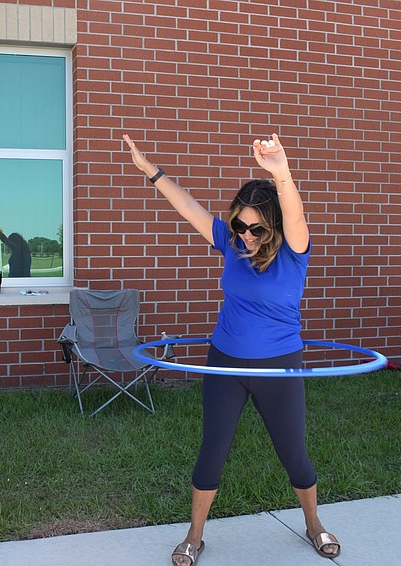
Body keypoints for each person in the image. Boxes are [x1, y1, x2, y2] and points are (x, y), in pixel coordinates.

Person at [123, 133, 340, 565]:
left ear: (273, 226)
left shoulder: (295, 251)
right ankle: (194, 535)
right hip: (225, 362)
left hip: (279, 367)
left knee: (292, 451)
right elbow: (188, 206)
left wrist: (280, 171)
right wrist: (151, 171)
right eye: (238, 225)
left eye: (255, 228)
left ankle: (313, 524)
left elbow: (294, 210)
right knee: (213, 449)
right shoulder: (229, 242)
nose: (244, 235)